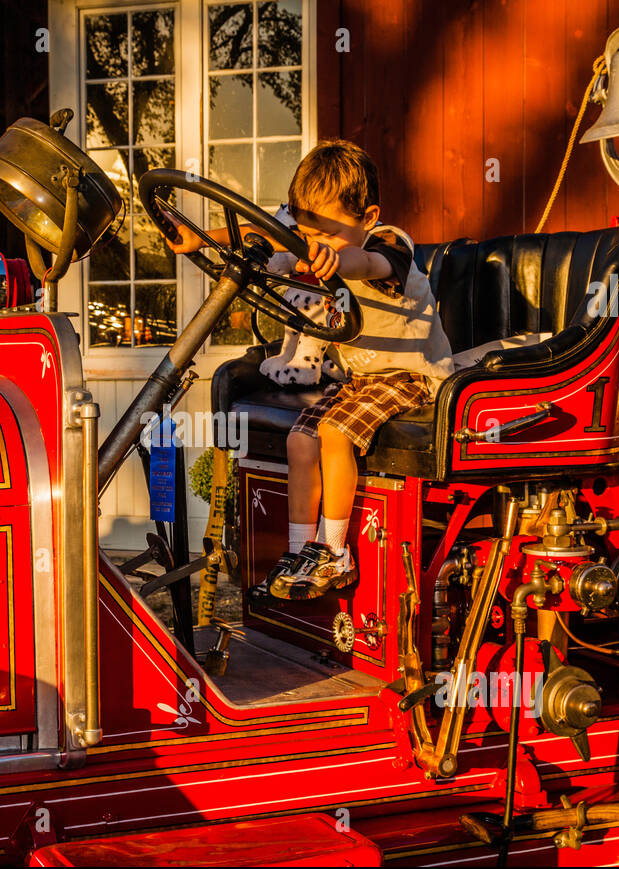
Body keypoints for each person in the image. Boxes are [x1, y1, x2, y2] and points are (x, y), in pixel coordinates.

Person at [165, 140, 453, 600]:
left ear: (368, 217)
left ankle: (335, 552)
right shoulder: (309, 248)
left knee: (335, 433)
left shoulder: (390, 246)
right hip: (359, 378)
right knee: (300, 439)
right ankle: (301, 553)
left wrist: (337, 260)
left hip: (412, 375)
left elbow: (366, 262)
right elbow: (265, 237)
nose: (312, 246)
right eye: (306, 234)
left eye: (325, 235)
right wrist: (201, 236)